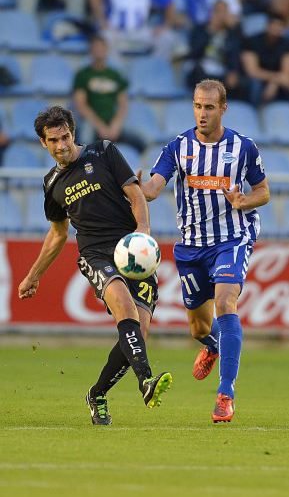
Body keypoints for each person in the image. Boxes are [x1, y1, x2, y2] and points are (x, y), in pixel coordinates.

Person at [18, 105, 172, 426]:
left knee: (138, 332)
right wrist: (33, 276)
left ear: (73, 133)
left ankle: (97, 394)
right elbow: (58, 235)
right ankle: (147, 381)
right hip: (95, 254)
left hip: (132, 249)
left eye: (65, 137)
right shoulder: (51, 185)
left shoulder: (104, 152)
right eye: (53, 140)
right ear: (43, 143)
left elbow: (136, 194)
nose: (61, 145)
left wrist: (142, 232)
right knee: (126, 310)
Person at [138, 79, 270, 423]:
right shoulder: (178, 147)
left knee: (226, 302)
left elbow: (263, 191)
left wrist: (245, 200)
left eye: (209, 107)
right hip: (191, 245)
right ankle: (213, 346)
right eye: (197, 106)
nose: (202, 113)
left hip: (232, 238)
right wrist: (139, 188)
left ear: (223, 109)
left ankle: (225, 394)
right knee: (199, 328)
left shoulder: (243, 147)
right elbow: (154, 186)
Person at [73, 34, 145, 152]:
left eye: (101, 47)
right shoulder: (83, 75)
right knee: (84, 143)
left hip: (112, 122)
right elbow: (81, 106)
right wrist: (101, 127)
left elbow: (123, 104)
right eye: (96, 47)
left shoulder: (115, 75)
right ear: (91, 51)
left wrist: (115, 125)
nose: (99, 50)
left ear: (107, 50)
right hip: (92, 123)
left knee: (142, 142)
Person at [184, 0, 243, 99]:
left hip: (221, 71)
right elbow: (194, 52)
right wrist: (210, 30)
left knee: (239, 81)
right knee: (199, 72)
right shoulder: (200, 29)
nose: (220, 15)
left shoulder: (232, 34)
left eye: (224, 12)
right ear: (212, 12)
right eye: (218, 11)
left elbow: (235, 56)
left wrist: (234, 72)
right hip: (201, 68)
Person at [241, 13, 289, 105]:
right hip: (254, 81)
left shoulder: (286, 44)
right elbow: (252, 71)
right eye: (274, 25)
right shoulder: (251, 41)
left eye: (280, 26)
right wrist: (276, 78)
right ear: (268, 25)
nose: (276, 28)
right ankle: (254, 109)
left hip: (275, 82)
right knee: (255, 82)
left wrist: (275, 82)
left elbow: (286, 71)